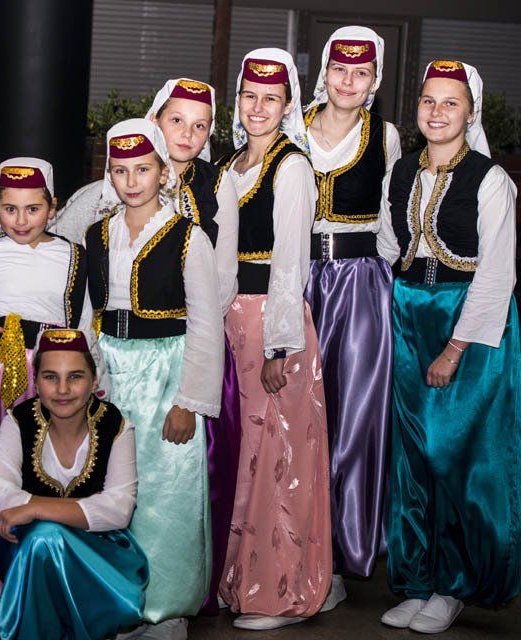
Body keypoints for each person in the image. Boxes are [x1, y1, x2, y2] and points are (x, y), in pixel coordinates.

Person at [378, 59, 519, 634]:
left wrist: (454, 348)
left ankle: (453, 585)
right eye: (428, 101)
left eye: (450, 102)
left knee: (454, 455)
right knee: (412, 455)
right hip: (411, 313)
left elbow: (498, 271)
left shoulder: (490, 179)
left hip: (468, 323)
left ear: (470, 112)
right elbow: (391, 245)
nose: (437, 112)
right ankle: (416, 579)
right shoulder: (402, 170)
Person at [87, 118, 223, 638]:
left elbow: (206, 325)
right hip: (111, 373)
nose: (132, 180)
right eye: (120, 170)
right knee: (111, 490)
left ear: (164, 172)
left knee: (166, 495)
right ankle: (119, 600)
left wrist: (189, 400)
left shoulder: (190, 238)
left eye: (143, 168)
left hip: (167, 373)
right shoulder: (96, 235)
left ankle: (165, 608)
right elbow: (86, 315)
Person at [215, 48, 331, 630]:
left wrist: (282, 346)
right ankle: (243, 581)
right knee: (247, 457)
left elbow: (291, 261)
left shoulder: (291, 167)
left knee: (279, 457)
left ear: (287, 106)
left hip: (271, 320)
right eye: (249, 96)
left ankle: (281, 592)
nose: (258, 107)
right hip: (236, 318)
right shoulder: (233, 161)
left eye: (271, 98)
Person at [0, 157, 91, 618]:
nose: (21, 220)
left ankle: (34, 584)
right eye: (9, 209)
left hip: (47, 376)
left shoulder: (74, 256)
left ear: (53, 207)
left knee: (39, 471)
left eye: (33, 208)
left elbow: (83, 321)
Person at [302, 26, 403, 604]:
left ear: (375, 80)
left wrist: (381, 281)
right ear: (325, 69)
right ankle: (300, 545)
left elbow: (390, 221)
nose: (348, 80)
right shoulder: (292, 124)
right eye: (340, 68)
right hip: (296, 282)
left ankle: (343, 552)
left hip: (361, 285)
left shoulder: (383, 135)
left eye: (361, 72)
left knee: (354, 420)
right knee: (300, 417)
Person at [0, 329, 148, 640]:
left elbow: (119, 510)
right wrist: (69, 514)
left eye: (76, 377)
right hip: (28, 550)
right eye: (51, 377)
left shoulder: (116, 425)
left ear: (95, 381)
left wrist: (35, 509)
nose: (63, 389)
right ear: (36, 380)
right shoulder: (18, 421)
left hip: (98, 554)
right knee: (42, 540)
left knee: (44, 537)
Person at [145, 78, 242, 615]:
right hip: (132, 350)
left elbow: (224, 274)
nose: (187, 133)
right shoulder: (129, 173)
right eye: (176, 120)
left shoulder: (217, 183)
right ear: (156, 119)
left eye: (199, 125)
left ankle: (185, 589)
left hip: (192, 343)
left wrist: (188, 335)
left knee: (190, 472)